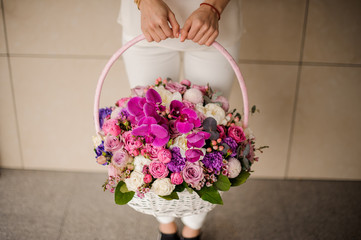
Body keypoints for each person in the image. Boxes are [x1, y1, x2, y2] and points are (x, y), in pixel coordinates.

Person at [117, 1, 242, 239]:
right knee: (148, 133)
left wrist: (214, 7)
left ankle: (193, 230)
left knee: (212, 132)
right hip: (146, 21)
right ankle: (166, 228)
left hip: (214, 23)